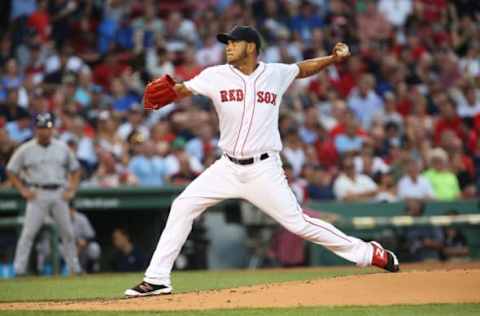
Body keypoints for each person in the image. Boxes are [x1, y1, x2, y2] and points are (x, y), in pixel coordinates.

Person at [125, 26, 399, 297]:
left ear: (251, 47)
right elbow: (183, 89)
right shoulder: (215, 75)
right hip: (227, 167)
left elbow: (302, 69)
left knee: (299, 224)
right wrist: (170, 91)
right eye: (226, 43)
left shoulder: (275, 73)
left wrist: (331, 59)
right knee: (183, 206)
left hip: (263, 169)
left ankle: (367, 253)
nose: (228, 46)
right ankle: (157, 279)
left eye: (234, 42)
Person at [6, 113, 82, 275]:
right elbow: (11, 171)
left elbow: (75, 170)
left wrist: (71, 190)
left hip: (59, 193)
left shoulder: (62, 147)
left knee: (67, 232)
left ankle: (75, 268)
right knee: (28, 234)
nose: (44, 131)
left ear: (52, 129)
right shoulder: (26, 149)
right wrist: (22, 189)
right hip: (37, 193)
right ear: (36, 129)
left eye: (47, 128)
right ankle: (19, 270)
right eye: (41, 128)